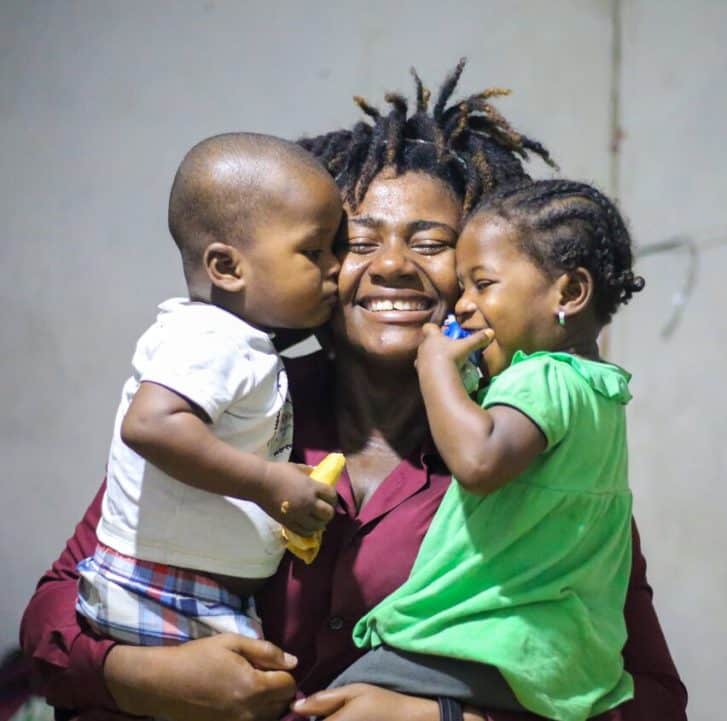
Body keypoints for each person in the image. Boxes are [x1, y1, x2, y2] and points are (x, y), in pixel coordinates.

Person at [21, 62, 687, 721]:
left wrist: (443, 717)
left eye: (433, 243)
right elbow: (55, 607)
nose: (392, 265)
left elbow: (650, 698)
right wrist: (141, 676)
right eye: (356, 242)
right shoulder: (225, 406)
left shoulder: (532, 440)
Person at [330, 178, 645, 721]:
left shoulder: (543, 377)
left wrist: (435, 372)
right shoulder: (599, 391)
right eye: (463, 287)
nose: (465, 305)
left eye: (483, 284)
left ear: (569, 293)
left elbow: (477, 461)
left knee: (339, 700)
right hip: (550, 657)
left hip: (486, 644)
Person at [76, 133, 342, 647]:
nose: (334, 267)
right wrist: (269, 482)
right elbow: (151, 425)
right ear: (226, 267)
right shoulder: (211, 336)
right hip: (163, 593)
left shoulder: (241, 340)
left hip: (189, 592)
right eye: (314, 251)